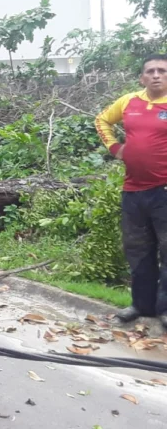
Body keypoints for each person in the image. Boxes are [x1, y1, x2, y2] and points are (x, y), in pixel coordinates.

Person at [95, 54, 167, 327]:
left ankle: (165, 309)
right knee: (138, 251)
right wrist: (115, 148)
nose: (156, 75)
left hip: (164, 191)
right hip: (133, 191)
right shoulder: (128, 101)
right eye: (151, 71)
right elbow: (102, 120)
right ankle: (141, 305)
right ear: (142, 78)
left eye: (162, 71)